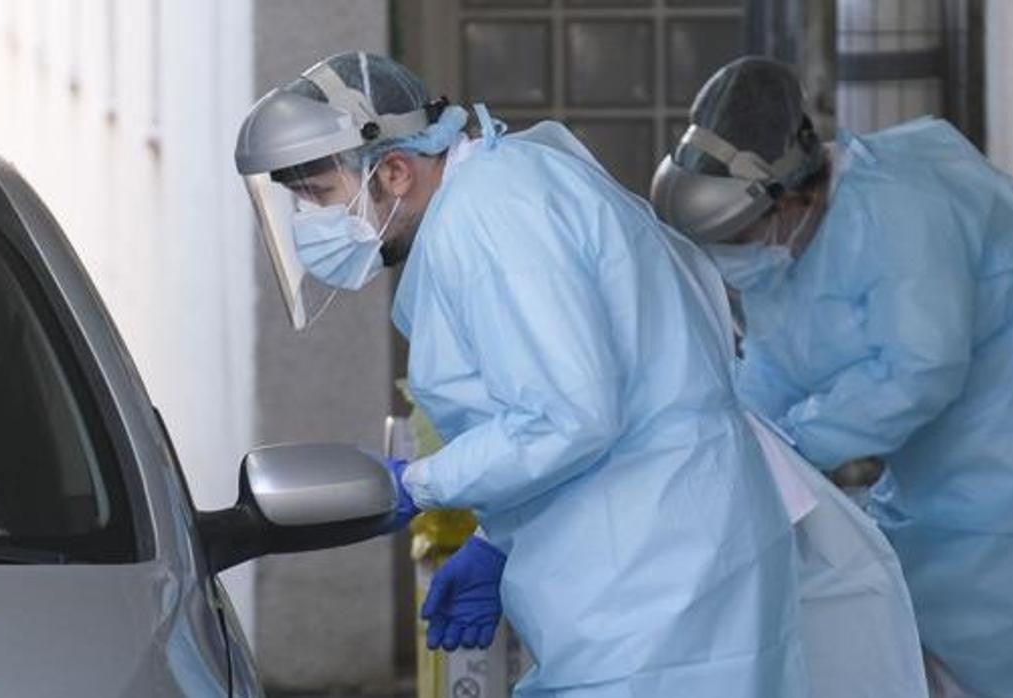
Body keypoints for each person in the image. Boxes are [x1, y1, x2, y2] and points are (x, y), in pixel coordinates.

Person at [235, 51, 808, 697]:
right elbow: (568, 391)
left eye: (317, 195)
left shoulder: (490, 220)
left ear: (394, 170)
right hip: (652, 557)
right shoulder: (500, 193)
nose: (309, 222)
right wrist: (497, 538)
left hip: (658, 577)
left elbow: (568, 416)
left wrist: (419, 484)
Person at [651, 56, 1013, 698]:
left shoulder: (901, 208)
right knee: (907, 624)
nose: (735, 259)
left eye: (740, 236)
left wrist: (794, 446)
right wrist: (727, 444)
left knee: (992, 647)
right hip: (933, 483)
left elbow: (920, 369)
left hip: (1006, 471)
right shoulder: (785, 249)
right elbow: (771, 368)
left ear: (793, 191)